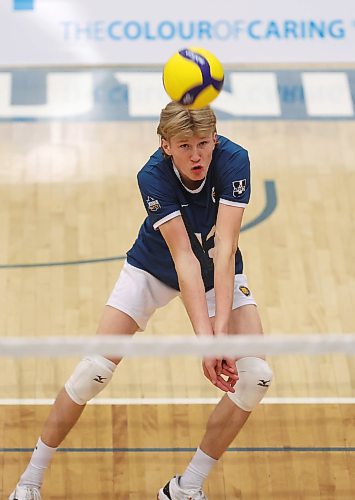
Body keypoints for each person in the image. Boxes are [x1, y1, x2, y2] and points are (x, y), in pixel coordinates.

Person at [9, 101, 273, 500]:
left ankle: (187, 487)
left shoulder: (234, 161)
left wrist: (220, 338)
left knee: (256, 378)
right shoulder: (152, 176)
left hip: (216, 271)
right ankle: (29, 481)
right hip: (151, 268)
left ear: (215, 139)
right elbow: (182, 258)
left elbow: (226, 247)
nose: (197, 155)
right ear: (165, 145)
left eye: (204, 143)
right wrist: (208, 345)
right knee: (92, 371)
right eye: (184, 146)